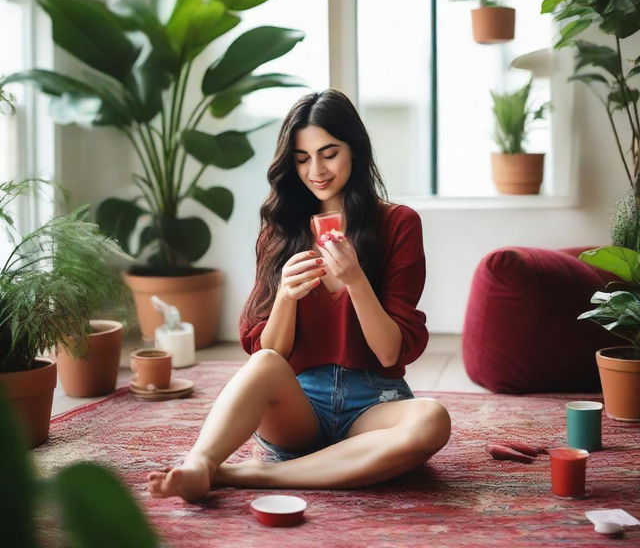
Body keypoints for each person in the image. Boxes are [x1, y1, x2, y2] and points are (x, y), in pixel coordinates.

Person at [147, 89, 451, 501]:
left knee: (432, 419)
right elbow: (268, 354)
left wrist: (357, 281)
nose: (316, 171)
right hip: (299, 407)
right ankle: (200, 463)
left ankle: (248, 476)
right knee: (266, 363)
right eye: (303, 158)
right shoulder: (281, 230)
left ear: (355, 152)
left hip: (374, 404)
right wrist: (286, 297)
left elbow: (388, 354)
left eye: (329, 153)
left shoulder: (397, 224)